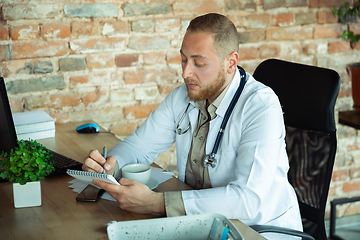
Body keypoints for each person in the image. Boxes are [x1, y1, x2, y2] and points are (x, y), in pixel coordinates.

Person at [83, 13, 302, 232]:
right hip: (202, 225)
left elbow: (247, 199)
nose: (186, 72)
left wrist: (156, 203)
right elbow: (139, 146)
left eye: (199, 63)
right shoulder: (182, 96)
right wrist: (111, 165)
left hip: (257, 230)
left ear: (231, 62)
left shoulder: (261, 107)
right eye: (184, 60)